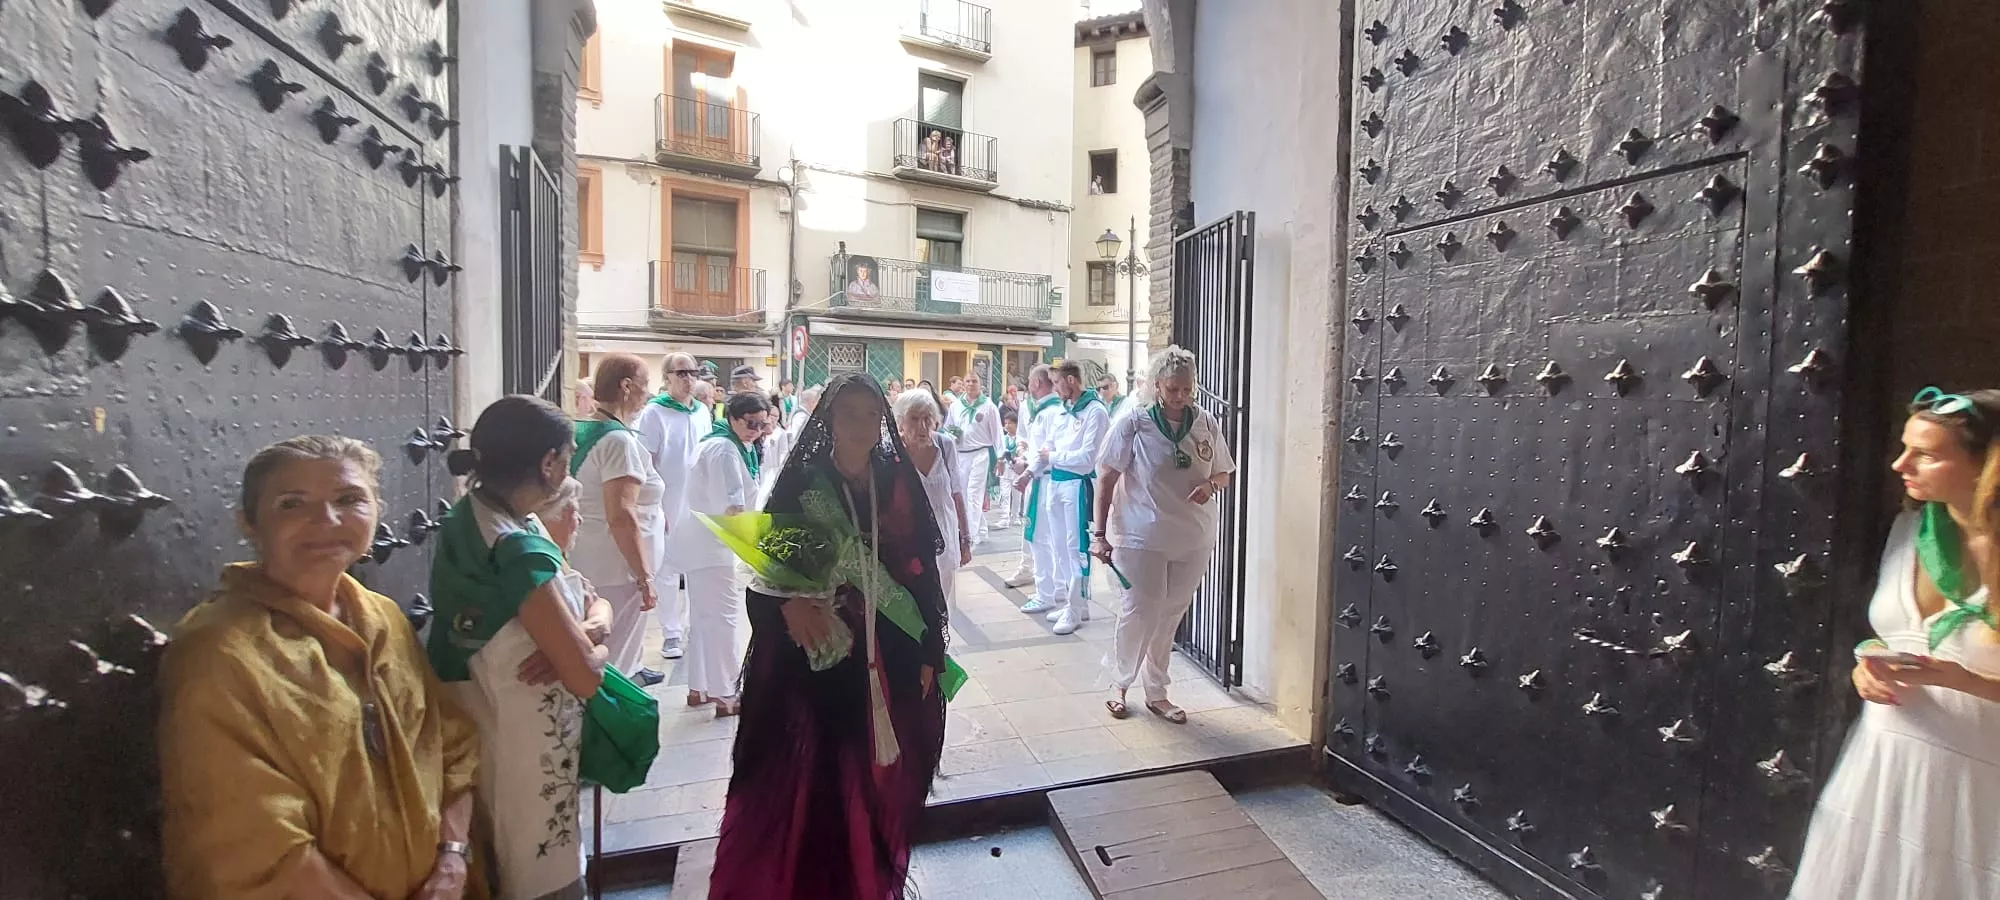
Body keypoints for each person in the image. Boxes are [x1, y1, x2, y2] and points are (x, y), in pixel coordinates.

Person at [159, 436, 480, 900]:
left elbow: (450, 746)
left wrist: (453, 855)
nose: (327, 521)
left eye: (350, 499)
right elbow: (253, 843)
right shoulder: (221, 651)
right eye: (293, 504)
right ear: (249, 522)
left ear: (377, 510)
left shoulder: (383, 618)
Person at [708, 375, 950, 899]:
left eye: (870, 414)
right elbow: (766, 575)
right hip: (818, 659)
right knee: (817, 777)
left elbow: (920, 569)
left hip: (889, 651)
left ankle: (867, 879)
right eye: (849, 414)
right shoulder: (805, 482)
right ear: (829, 421)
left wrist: (932, 648)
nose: (860, 425)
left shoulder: (894, 479)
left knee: (874, 777)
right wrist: (789, 606)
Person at [1788, 386, 2000, 899]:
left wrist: (1961, 678)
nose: (1900, 464)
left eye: (1925, 454)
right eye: (1904, 447)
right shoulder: (1908, 532)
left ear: (1986, 466)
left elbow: (1957, 665)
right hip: (1883, 768)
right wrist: (1868, 665)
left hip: (1977, 785)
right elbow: (1893, 634)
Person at [431, 401, 614, 898]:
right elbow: (586, 678)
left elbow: (593, 606)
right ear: (549, 463)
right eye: (569, 455)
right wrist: (588, 648)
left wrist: (590, 629)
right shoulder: (518, 548)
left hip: (482, 720)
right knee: (536, 868)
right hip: (524, 744)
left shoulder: (475, 515)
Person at [1090, 347, 1234, 724]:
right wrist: (1099, 534)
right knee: (1140, 610)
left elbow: (1224, 472)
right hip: (1140, 535)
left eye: (1186, 389)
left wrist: (1210, 486)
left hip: (1192, 536)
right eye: (1172, 389)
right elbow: (1106, 477)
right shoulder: (1135, 423)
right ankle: (1119, 684)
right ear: (1157, 387)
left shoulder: (1205, 423)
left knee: (1170, 614)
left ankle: (1157, 691)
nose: (1180, 396)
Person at [669, 392, 773, 717]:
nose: (756, 429)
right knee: (724, 620)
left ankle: (700, 688)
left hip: (703, 543)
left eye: (762, 424)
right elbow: (734, 508)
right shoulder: (725, 449)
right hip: (716, 546)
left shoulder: (720, 442)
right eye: (750, 423)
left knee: (703, 618)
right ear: (732, 417)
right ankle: (727, 693)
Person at [572, 354, 667, 685]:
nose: (648, 394)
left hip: (587, 559)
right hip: (617, 568)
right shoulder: (618, 441)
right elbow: (622, 516)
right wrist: (644, 577)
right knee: (614, 664)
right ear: (626, 387)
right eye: (645, 386)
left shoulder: (581, 428)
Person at [1024, 361, 1110, 635]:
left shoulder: (1095, 412)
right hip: (1055, 484)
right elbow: (1048, 445)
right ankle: (1076, 603)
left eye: (1058, 382)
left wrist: (1054, 458)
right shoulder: (1064, 411)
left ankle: (1075, 608)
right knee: (1059, 545)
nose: (1055, 387)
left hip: (1076, 486)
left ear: (1071, 381)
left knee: (1076, 548)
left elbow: (1087, 460)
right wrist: (1031, 470)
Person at [636, 352, 705, 662]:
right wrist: (654, 505)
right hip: (667, 501)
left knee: (696, 566)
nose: (688, 378)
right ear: (667, 378)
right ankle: (671, 632)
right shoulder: (654, 414)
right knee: (666, 569)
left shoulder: (702, 411)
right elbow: (646, 461)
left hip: (697, 502)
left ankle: (694, 626)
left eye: (692, 372)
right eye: (681, 373)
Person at [897, 389, 973, 606]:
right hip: (910, 542)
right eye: (914, 418)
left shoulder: (944, 445)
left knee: (942, 603)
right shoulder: (893, 451)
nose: (922, 426)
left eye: (927, 418)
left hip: (946, 537)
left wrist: (965, 540)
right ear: (901, 422)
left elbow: (957, 495)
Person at [1007, 365, 1060, 589]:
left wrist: (1029, 467)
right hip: (1032, 473)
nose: (1027, 386)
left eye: (1029, 381)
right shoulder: (1031, 407)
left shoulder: (1055, 410)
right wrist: (1021, 453)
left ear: (1037, 383)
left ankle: (1052, 584)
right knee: (1032, 527)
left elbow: (1048, 448)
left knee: (1046, 532)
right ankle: (1029, 569)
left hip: (1046, 477)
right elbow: (1025, 437)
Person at [951, 372, 1001, 547]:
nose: (971, 384)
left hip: (980, 454)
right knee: (962, 494)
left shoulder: (988, 406)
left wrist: (1001, 457)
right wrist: (951, 435)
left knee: (973, 493)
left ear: (980, 384)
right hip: (960, 454)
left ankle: (969, 537)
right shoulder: (956, 405)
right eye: (968, 381)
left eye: (975, 381)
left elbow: (997, 434)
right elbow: (948, 427)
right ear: (963, 384)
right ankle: (980, 528)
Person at [996, 408, 1023, 528]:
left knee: (1017, 495)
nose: (1007, 426)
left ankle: (1015, 516)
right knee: (1005, 494)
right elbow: (999, 452)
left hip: (1017, 470)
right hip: (1005, 469)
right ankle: (1004, 518)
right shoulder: (1003, 438)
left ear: (1016, 424)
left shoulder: (1021, 438)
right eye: (1005, 423)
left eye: (1010, 423)